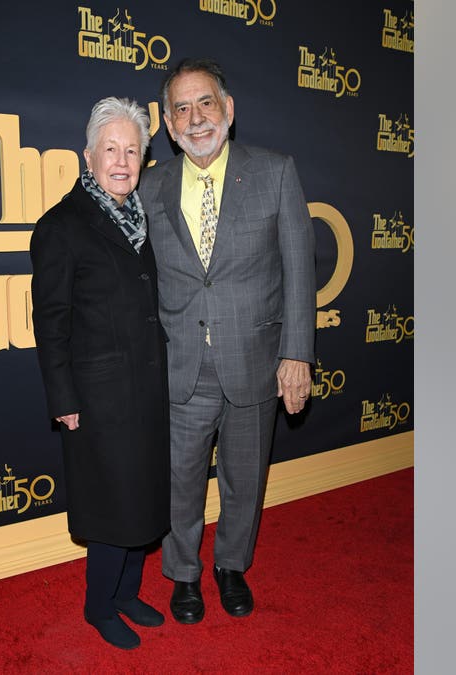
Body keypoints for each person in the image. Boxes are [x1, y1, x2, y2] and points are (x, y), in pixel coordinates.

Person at [137, 58, 316, 624]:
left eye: (205, 103)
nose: (195, 119)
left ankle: (231, 565)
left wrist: (296, 353)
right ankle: (184, 573)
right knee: (181, 481)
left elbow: (299, 269)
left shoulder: (275, 172)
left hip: (255, 361)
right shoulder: (149, 185)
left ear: (229, 109)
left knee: (245, 477)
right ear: (166, 124)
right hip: (181, 364)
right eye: (182, 109)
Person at [29, 97, 170, 650]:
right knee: (113, 505)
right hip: (97, 397)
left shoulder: (143, 220)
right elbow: (51, 323)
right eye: (110, 148)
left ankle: (128, 593)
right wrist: (63, 397)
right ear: (88, 155)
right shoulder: (61, 227)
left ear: (142, 158)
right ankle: (98, 605)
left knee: (144, 499)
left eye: (131, 150)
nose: (121, 159)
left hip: (149, 388)